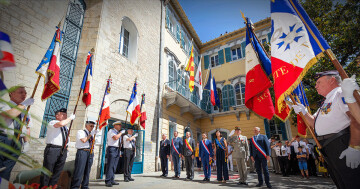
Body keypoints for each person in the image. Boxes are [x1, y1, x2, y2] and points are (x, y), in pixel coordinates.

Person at [292, 70, 360, 189]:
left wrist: (354, 147)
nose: (316, 86)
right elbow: (314, 123)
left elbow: (355, 118)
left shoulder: (341, 93)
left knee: (352, 181)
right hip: (330, 146)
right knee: (341, 182)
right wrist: (304, 112)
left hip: (343, 143)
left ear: (332, 80)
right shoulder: (327, 101)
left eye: (318, 82)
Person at [0, 85, 34, 180]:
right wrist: (24, 105)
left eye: (25, 93)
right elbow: (10, 114)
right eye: (20, 92)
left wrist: (26, 142)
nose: (24, 95)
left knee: (7, 171)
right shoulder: (3, 104)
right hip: (3, 139)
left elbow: (27, 127)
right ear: (11, 93)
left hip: (17, 141)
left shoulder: (25, 110)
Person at [40, 108, 75, 187]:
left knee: (57, 171)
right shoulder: (53, 122)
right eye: (63, 114)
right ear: (57, 116)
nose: (65, 115)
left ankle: (52, 186)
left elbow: (66, 140)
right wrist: (70, 118)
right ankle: (44, 187)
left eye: (65, 114)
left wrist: (67, 150)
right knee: (47, 170)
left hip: (62, 150)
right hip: (53, 149)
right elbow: (60, 124)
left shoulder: (65, 128)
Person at [70, 118, 98, 189]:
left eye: (93, 126)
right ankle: (75, 187)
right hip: (82, 152)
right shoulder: (81, 132)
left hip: (90, 152)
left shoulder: (90, 134)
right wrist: (91, 135)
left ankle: (85, 186)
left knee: (87, 170)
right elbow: (83, 140)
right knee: (79, 170)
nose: (92, 128)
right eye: (91, 126)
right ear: (86, 126)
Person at [105, 121, 124, 187]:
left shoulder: (117, 132)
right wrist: (121, 133)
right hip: (112, 148)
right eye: (119, 125)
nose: (120, 126)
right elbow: (115, 138)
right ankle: (108, 181)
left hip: (117, 149)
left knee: (114, 165)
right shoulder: (111, 131)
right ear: (115, 125)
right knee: (110, 165)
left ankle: (112, 179)